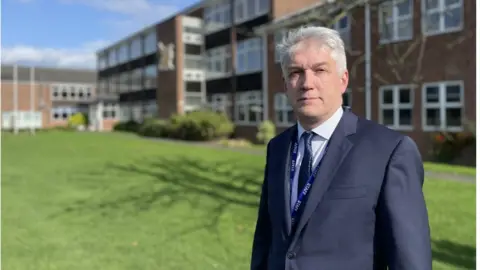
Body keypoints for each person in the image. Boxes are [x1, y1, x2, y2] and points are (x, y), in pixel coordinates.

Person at [250, 26, 432, 270]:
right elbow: (266, 238)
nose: (307, 83)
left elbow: (410, 259)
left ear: (343, 79)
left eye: (320, 70)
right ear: (285, 85)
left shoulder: (389, 151)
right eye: (295, 72)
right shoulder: (278, 148)